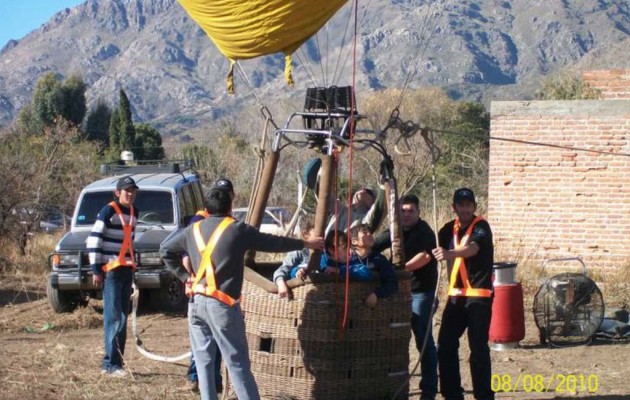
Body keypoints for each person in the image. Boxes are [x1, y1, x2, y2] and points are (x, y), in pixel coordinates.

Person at [160, 186, 324, 400]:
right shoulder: (237, 229)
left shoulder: (193, 229)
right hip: (222, 306)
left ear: (206, 209)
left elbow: (165, 249)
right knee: (237, 364)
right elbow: (273, 243)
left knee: (203, 363)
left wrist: (184, 277)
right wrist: (305, 243)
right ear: (230, 207)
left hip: (196, 303)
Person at [372, 193, 438, 400]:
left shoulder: (425, 231)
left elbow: (425, 257)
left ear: (418, 212)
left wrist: (397, 270)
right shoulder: (394, 230)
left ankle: (429, 389)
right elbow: (374, 246)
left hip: (421, 293)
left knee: (423, 340)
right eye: (402, 211)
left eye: (410, 211)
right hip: (398, 294)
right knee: (394, 338)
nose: (406, 215)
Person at [432, 188, 494, 400]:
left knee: (477, 348)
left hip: (479, 297)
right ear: (454, 207)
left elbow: (473, 248)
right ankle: (452, 394)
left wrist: (449, 253)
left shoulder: (481, 227)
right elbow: (432, 249)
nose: (465, 209)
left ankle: (484, 395)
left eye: (469, 205)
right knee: (446, 345)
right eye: (461, 205)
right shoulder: (448, 229)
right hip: (456, 297)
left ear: (474, 207)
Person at [183, 178, 235, 393]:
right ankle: (197, 378)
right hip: (204, 291)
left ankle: (213, 382)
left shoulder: (226, 221)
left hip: (216, 292)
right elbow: (184, 254)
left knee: (213, 341)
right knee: (204, 343)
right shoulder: (199, 220)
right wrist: (188, 277)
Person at [87, 176, 139, 377]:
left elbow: (130, 241)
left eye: (133, 190)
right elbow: (94, 240)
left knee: (123, 318)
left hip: (127, 270)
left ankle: (117, 363)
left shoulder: (135, 212)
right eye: (127, 191)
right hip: (111, 272)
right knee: (113, 318)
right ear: (117, 193)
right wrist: (96, 269)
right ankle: (110, 365)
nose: (130, 194)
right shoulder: (108, 210)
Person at [321, 225, 398, 306]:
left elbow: (367, 273)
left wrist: (377, 294)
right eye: (365, 232)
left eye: (370, 232)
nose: (369, 234)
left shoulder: (378, 259)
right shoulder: (334, 260)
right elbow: (320, 264)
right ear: (354, 241)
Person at [272, 220, 315, 300]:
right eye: (318, 232)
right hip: (301, 296)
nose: (323, 236)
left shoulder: (325, 252)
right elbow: (281, 271)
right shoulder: (297, 252)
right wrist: (281, 284)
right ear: (305, 234)